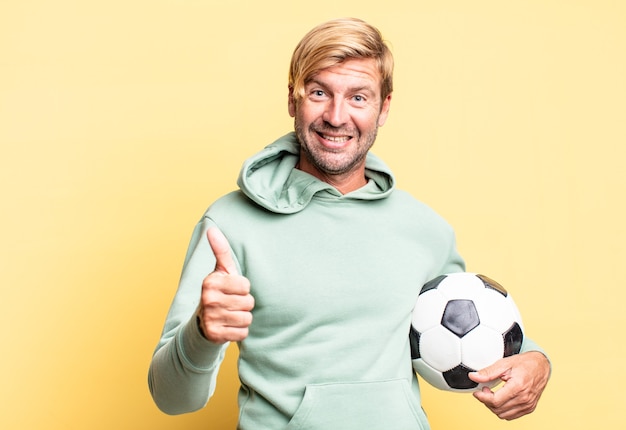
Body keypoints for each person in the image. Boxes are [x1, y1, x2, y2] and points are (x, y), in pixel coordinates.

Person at [148, 17, 550, 429]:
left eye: (359, 97)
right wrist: (201, 333)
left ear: (384, 108)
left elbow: (472, 321)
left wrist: (535, 359)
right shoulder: (229, 225)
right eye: (320, 93)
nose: (337, 117)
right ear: (293, 99)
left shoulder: (424, 228)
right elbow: (172, 399)